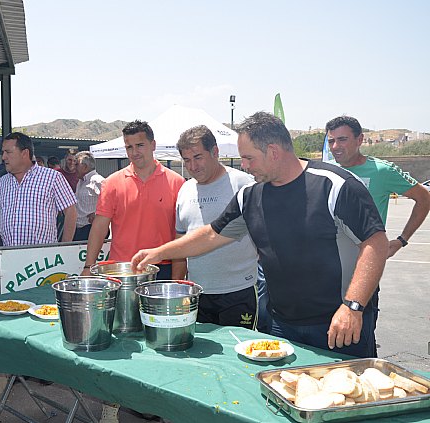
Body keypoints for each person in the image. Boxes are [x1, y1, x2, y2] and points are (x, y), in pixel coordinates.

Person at [132, 112, 389, 359]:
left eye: (248, 158)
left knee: (348, 388)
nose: (243, 165)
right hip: (281, 325)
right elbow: (211, 235)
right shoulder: (250, 195)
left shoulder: (335, 185)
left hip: (339, 323)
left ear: (273, 152)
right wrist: (159, 252)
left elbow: (375, 243)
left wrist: (353, 306)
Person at [173, 125, 259, 329]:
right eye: (186, 160)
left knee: (239, 348)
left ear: (215, 152)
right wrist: (177, 288)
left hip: (239, 291)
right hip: (198, 294)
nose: (193, 166)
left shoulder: (244, 184)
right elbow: (180, 243)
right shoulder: (185, 190)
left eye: (198, 157)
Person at [81, 120, 185, 280]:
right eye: (129, 147)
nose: (134, 152)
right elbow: (99, 227)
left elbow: (181, 234)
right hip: (122, 269)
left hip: (163, 267)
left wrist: (177, 279)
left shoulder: (177, 182)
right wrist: (88, 266)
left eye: (140, 145)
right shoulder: (111, 183)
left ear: (153, 145)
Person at [325, 116, 430, 258]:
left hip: (365, 260)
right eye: (331, 141)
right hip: (327, 259)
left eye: (342, 139)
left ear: (359, 140)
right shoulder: (325, 170)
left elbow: (424, 198)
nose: (335, 146)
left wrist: (402, 240)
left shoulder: (382, 171)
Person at [0, 132, 77, 245]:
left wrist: (64, 247)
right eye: (3, 152)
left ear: (24, 153)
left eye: (8, 152)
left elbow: (70, 211)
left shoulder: (52, 177)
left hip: (42, 258)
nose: (3, 157)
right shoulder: (2, 183)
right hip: (10, 257)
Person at [73, 151, 105, 241]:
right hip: (80, 228)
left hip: (91, 228)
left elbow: (112, 199)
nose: (74, 168)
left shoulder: (97, 180)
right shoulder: (81, 181)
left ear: (85, 167)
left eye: (77, 165)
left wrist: (97, 214)